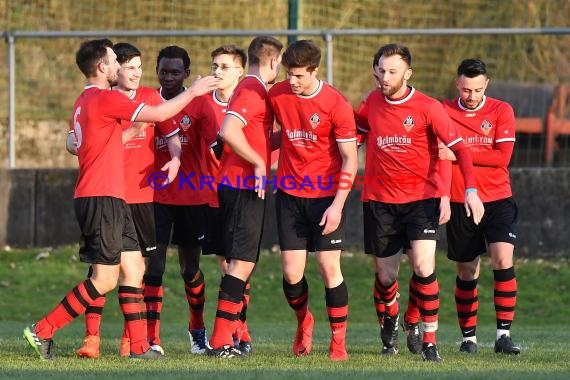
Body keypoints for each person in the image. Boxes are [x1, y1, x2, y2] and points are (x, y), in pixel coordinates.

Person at [23, 38, 218, 360]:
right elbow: (158, 112)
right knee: (105, 278)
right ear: (102, 67)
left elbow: (89, 143)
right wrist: (194, 92)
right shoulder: (103, 98)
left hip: (112, 196)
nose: (119, 67)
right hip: (101, 198)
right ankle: (42, 330)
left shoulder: (84, 100)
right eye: (115, 61)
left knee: (134, 268)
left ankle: (140, 347)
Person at [354, 43, 485, 363]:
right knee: (386, 278)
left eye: (393, 71)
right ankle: (390, 321)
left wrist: (469, 190)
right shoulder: (369, 103)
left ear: (407, 74)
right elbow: (352, 140)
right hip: (379, 201)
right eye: (381, 70)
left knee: (424, 268)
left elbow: (460, 150)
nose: (385, 76)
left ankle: (429, 341)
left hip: (420, 201)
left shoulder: (428, 107)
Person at [268, 40, 357, 361]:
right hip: (290, 196)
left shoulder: (336, 104)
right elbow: (272, 134)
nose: (292, 81)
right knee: (292, 273)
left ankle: (338, 343)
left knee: (328, 266)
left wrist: (338, 204)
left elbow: (350, 158)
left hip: (325, 197)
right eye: (288, 74)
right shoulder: (277, 95)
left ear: (314, 71)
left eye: (299, 76)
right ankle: (304, 321)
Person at [206, 35, 283, 358]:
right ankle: (222, 340)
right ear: (274, 62)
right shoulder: (252, 90)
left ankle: (231, 335)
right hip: (241, 186)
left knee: (239, 263)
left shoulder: (252, 89)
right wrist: (258, 162)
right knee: (241, 263)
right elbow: (228, 131)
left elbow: (253, 135)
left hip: (238, 185)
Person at [439, 58, 520, 355]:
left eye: (476, 89)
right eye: (465, 89)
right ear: (457, 84)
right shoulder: (444, 111)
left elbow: (501, 157)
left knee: (502, 260)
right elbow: (438, 156)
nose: (470, 96)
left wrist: (458, 152)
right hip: (461, 201)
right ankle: (469, 338)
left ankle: (503, 335)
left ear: (486, 85)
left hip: (498, 198)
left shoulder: (502, 111)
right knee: (467, 271)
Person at [150, 45, 219, 355]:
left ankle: (197, 331)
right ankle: (151, 338)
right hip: (156, 196)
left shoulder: (201, 105)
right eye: (164, 71)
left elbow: (219, 146)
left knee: (190, 269)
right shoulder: (148, 102)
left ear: (187, 75)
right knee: (154, 266)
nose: (169, 77)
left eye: (175, 72)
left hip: (193, 197)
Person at [202, 44, 253, 353]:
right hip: (211, 194)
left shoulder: (249, 103)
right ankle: (237, 329)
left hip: (243, 193)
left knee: (241, 265)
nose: (217, 71)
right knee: (226, 265)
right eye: (214, 65)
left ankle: (238, 331)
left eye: (224, 66)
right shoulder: (200, 104)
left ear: (240, 72)